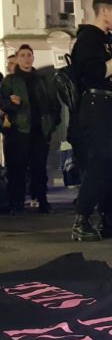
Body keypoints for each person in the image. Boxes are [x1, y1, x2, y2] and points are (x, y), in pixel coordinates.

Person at [70, 0, 112, 241]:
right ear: (104, 11)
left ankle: (108, 217)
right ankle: (83, 218)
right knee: (100, 161)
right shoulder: (88, 39)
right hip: (97, 103)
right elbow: (97, 72)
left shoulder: (111, 40)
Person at [0, 44, 60, 214]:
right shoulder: (10, 81)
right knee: (16, 169)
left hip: (39, 130)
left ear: (33, 58)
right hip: (18, 130)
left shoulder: (41, 80)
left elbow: (53, 103)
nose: (26, 58)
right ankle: (17, 203)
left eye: (29, 55)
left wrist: (52, 123)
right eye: (23, 55)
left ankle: (41, 199)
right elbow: (2, 104)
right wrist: (11, 103)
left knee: (39, 168)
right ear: (18, 59)